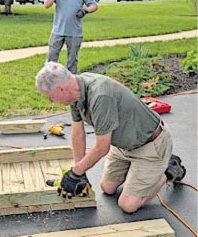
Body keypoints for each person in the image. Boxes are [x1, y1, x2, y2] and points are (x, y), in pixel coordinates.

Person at [35, 62, 186, 213]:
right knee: (107, 187)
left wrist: (74, 173)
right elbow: (77, 131)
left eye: (50, 97)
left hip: (150, 145)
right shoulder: (75, 91)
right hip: (124, 145)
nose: (51, 101)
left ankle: (169, 168)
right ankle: (142, 174)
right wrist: (80, 173)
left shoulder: (100, 96)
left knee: (128, 205)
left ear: (61, 89)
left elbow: (102, 148)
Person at [44, 0, 98, 74]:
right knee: (51, 59)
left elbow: (94, 5)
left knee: (72, 61)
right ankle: (49, 82)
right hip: (57, 31)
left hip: (74, 32)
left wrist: (85, 11)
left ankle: (71, 84)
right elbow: (46, 5)